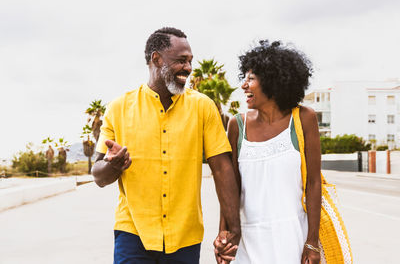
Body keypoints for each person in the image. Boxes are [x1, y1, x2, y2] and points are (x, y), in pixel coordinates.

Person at [91, 27, 241, 264]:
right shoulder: (118, 108)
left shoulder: (203, 107)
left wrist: (233, 228)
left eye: (190, 61)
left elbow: (222, 169)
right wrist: (114, 165)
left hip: (185, 236)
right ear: (156, 58)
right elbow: (98, 175)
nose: (189, 69)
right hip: (133, 233)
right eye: (181, 61)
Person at [214, 40, 321, 264]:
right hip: (249, 242)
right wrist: (224, 235)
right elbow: (229, 188)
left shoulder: (304, 119)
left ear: (273, 81)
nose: (243, 85)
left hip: (293, 237)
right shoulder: (237, 125)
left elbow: (313, 183)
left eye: (251, 79)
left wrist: (312, 241)